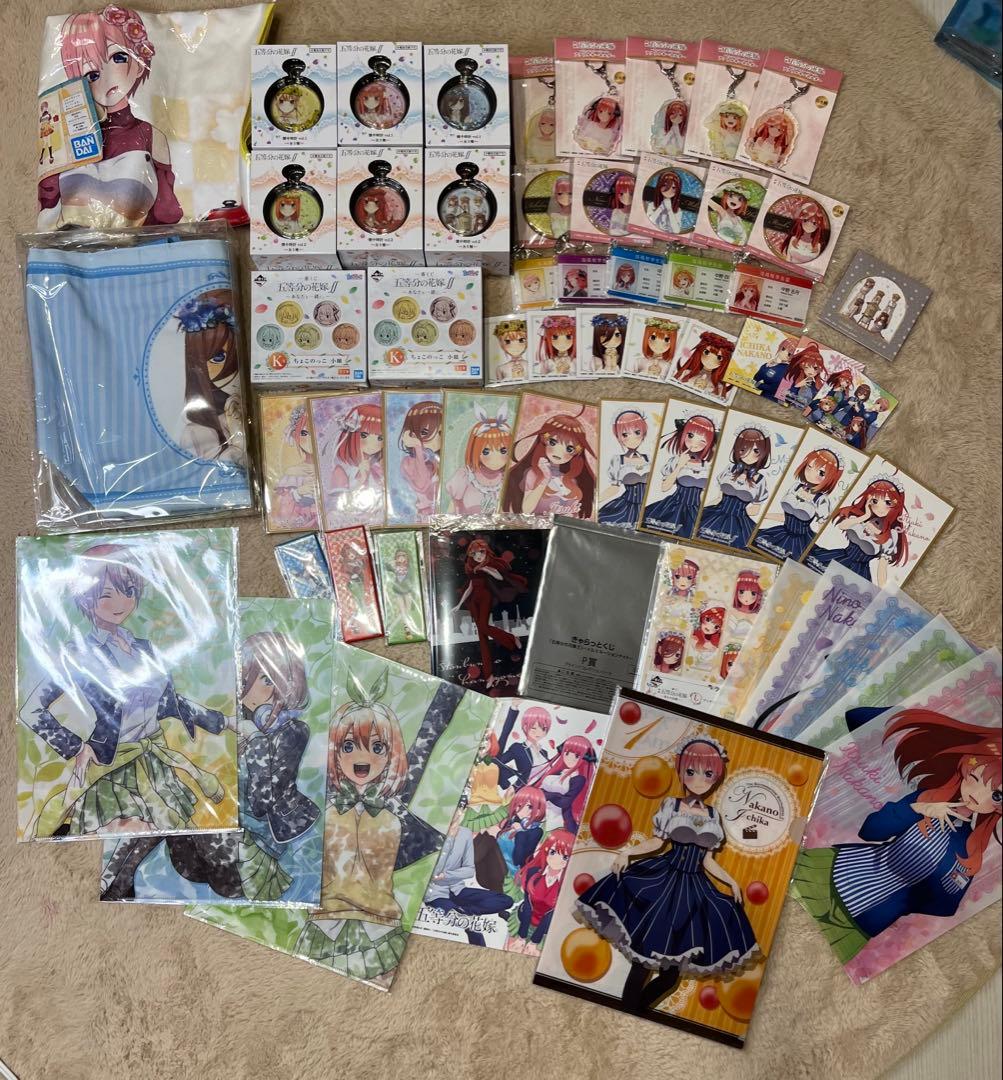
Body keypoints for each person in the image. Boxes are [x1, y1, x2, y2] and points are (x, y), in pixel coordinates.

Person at [575, 737, 760, 1013]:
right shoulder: (671, 806)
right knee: (643, 961)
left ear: (716, 777)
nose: (699, 780)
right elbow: (656, 842)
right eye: (691, 771)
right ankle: (629, 1011)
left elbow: (708, 860)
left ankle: (634, 1010)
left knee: (671, 975)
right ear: (682, 771)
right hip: (663, 882)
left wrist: (731, 881)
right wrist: (628, 853)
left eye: (708, 773)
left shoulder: (713, 816)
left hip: (694, 891)